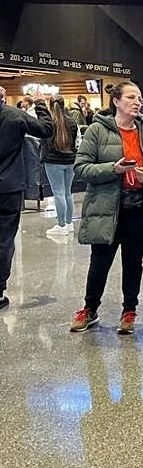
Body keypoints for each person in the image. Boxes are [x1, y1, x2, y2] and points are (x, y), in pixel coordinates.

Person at [70, 82, 143, 334]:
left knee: (133, 262)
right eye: (131, 97)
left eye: (139, 97)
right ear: (116, 101)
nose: (137, 102)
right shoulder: (96, 131)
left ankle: (129, 310)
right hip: (106, 208)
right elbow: (81, 168)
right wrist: (113, 169)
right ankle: (89, 309)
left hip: (137, 208)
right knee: (99, 262)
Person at [0, 87, 52, 310]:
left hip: (9, 186)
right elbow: (46, 129)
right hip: (9, 187)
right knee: (4, 239)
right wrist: (40, 104)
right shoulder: (14, 116)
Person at [41, 95, 79, 238]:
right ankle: (69, 224)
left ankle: (61, 225)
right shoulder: (72, 122)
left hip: (53, 161)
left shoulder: (48, 123)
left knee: (58, 193)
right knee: (68, 193)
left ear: (50, 106)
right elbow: (76, 142)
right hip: (70, 161)